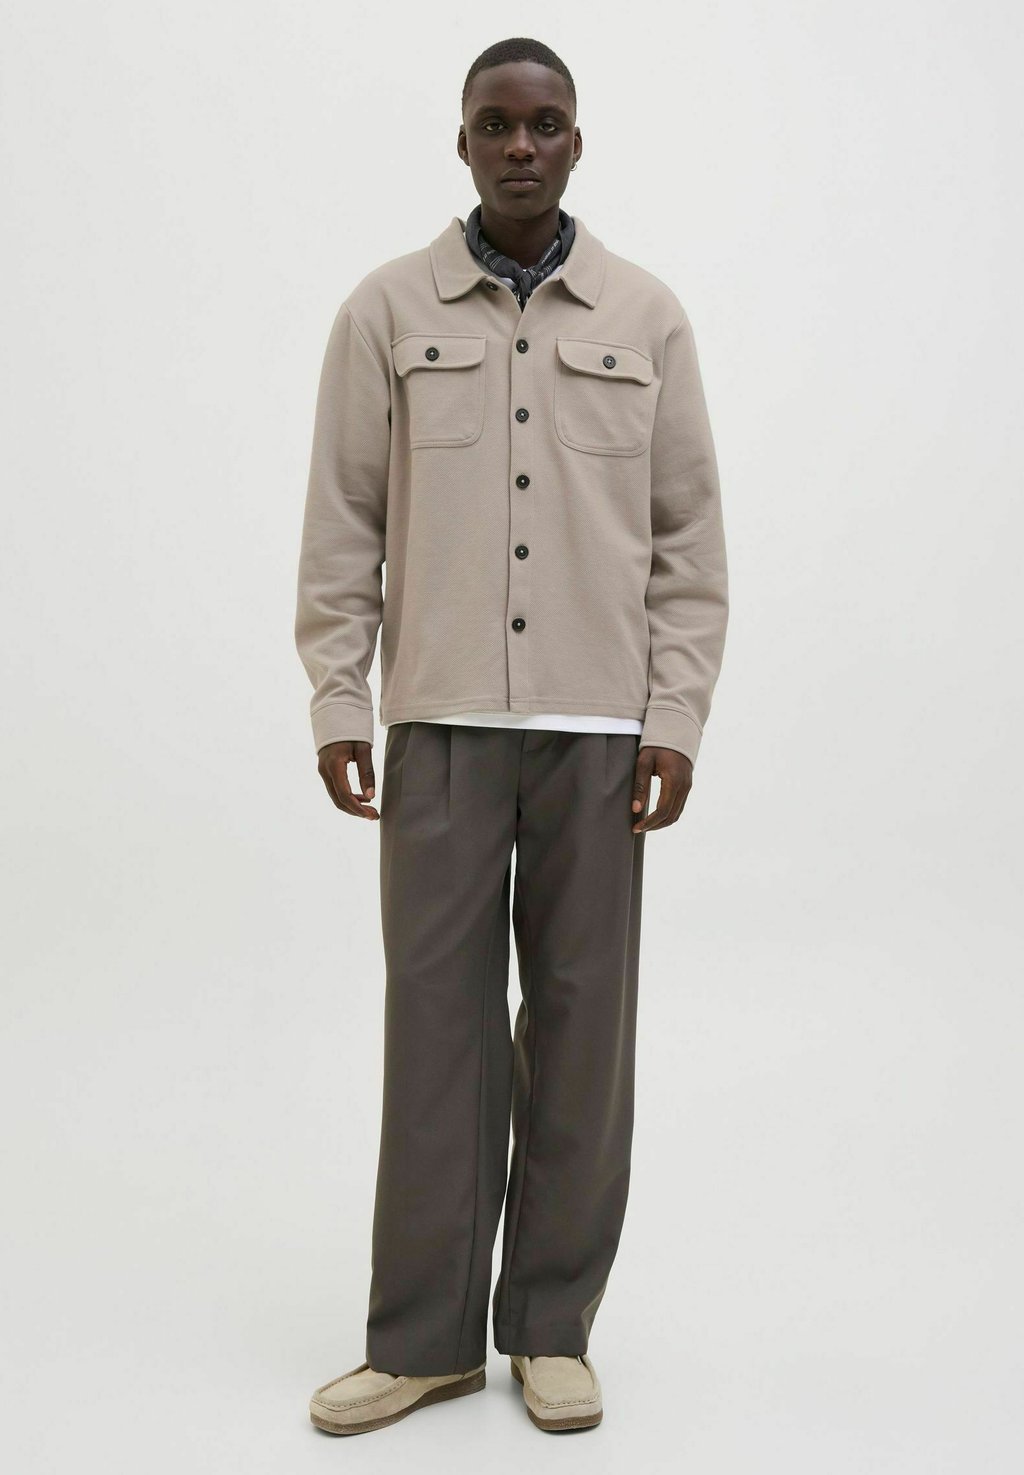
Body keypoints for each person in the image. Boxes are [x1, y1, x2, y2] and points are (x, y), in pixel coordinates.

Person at [295, 35, 729, 1437]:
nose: (521, 146)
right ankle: (423, 1340)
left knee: (586, 1032)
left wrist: (675, 715)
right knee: (438, 1032)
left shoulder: (648, 317)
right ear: (464, 142)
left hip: (600, 731)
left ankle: (550, 1328)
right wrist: (338, 696)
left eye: (545, 124)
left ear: (578, 143)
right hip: (438, 724)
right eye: (497, 123)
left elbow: (688, 540)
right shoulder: (384, 311)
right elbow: (344, 521)